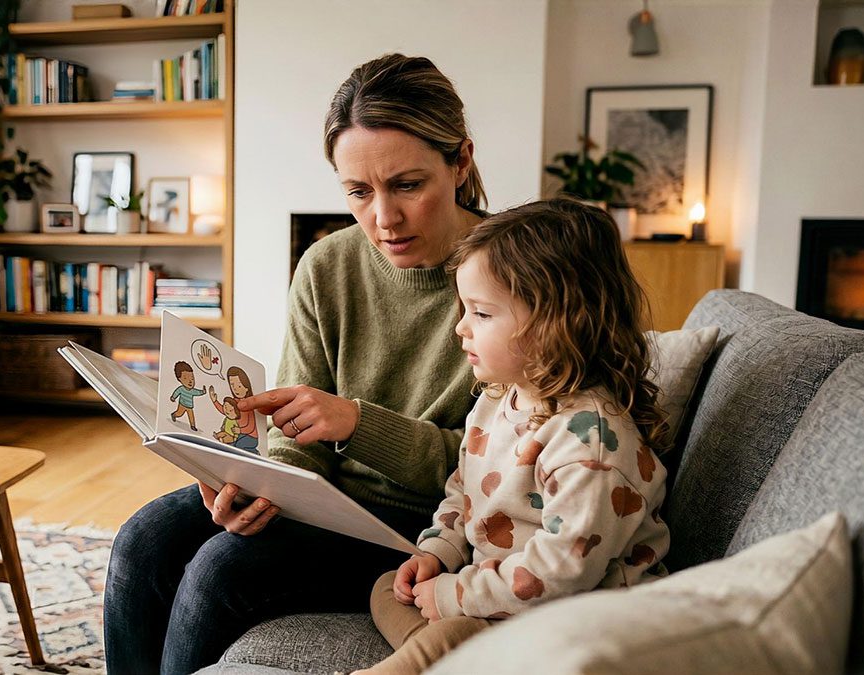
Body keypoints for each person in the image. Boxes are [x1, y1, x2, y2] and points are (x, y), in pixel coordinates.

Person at [103, 53, 489, 674]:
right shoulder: (327, 266)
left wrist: (358, 424)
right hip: (324, 500)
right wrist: (257, 489)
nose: (383, 219)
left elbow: (494, 468)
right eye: (358, 192)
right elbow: (295, 435)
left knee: (217, 573)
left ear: (460, 161)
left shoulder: (511, 280)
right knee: (143, 540)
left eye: (407, 185)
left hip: (425, 530)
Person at [359, 200, 672, 673]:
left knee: (454, 631)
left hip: (577, 616)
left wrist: (457, 595)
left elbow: (560, 573)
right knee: (389, 585)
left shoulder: (591, 445)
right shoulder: (496, 398)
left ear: (556, 322)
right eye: (464, 309)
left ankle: (444, 655)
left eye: (482, 314)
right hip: (502, 595)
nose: (461, 328)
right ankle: (459, 658)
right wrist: (438, 554)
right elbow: (463, 490)